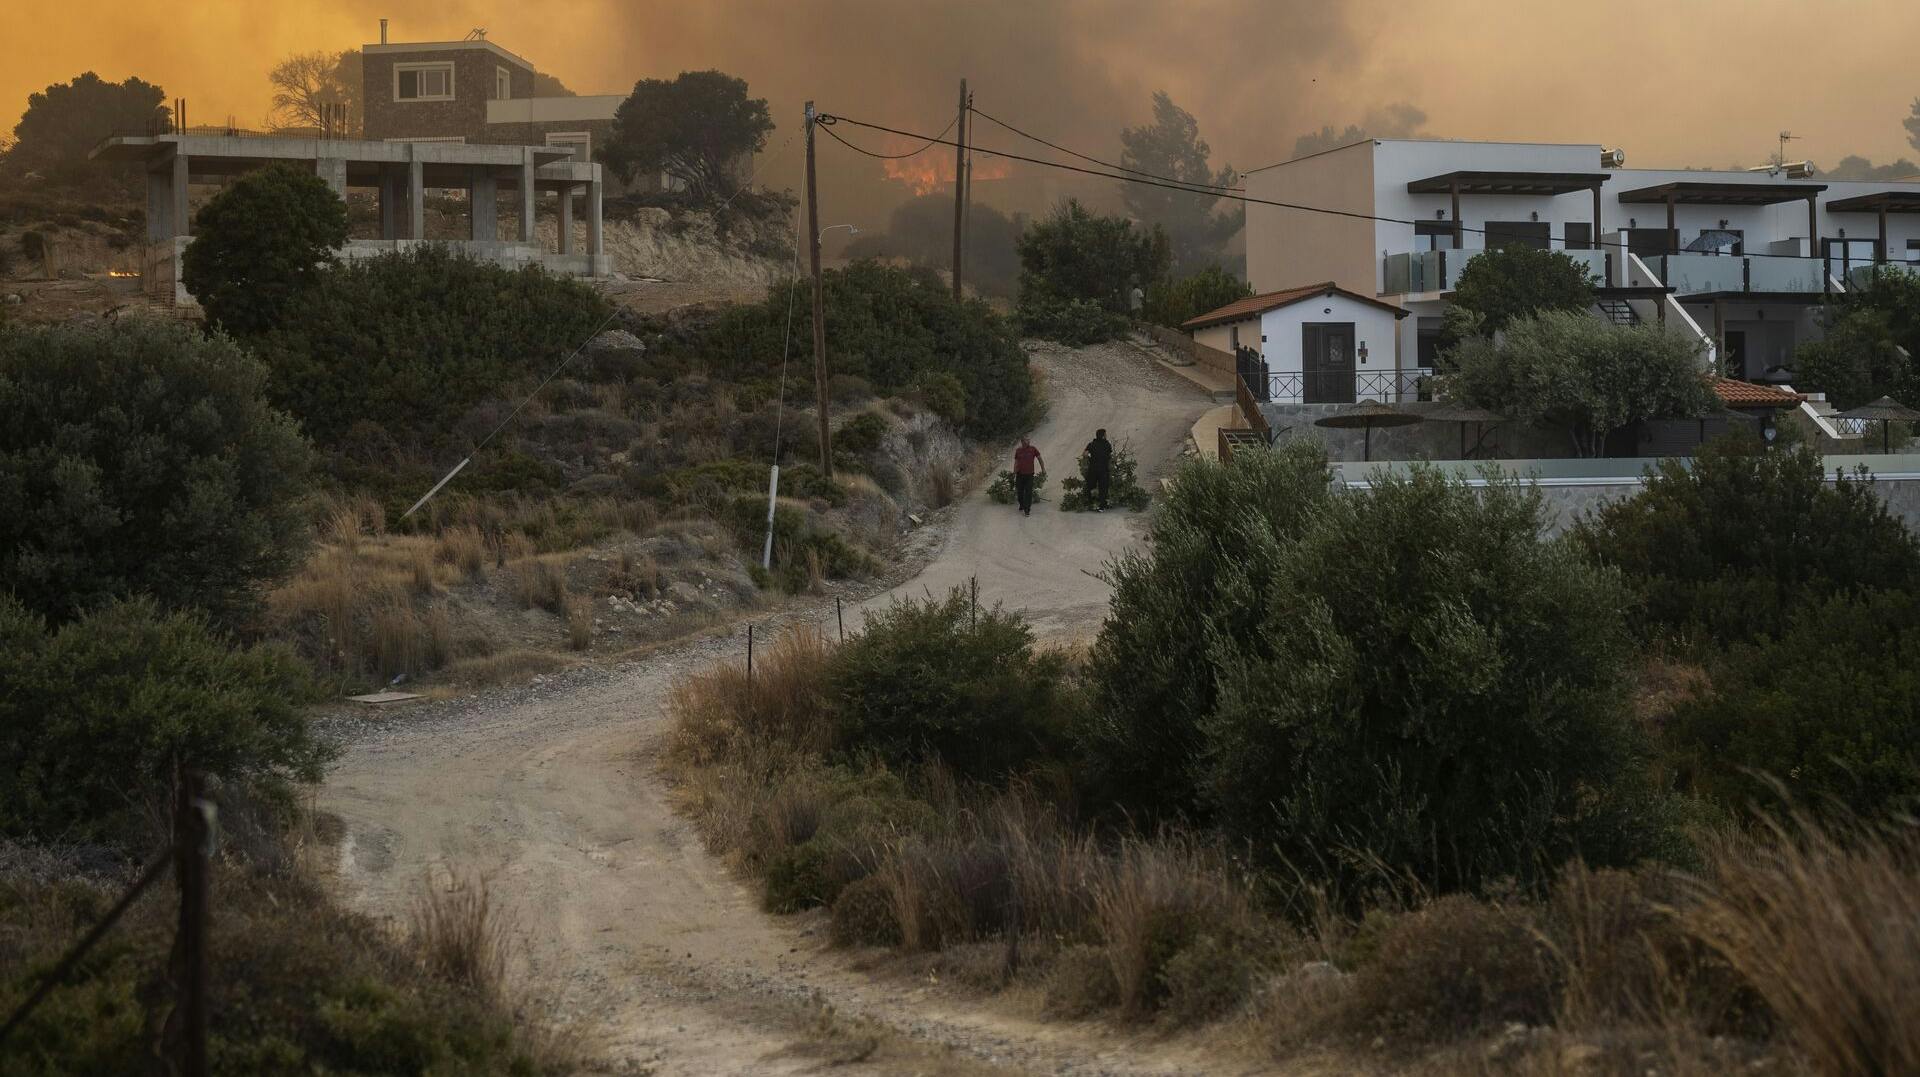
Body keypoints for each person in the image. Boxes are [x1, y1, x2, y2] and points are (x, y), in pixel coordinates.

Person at [1012, 436, 1044, 516]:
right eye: (1027, 440)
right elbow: (1016, 462)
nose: (1028, 441)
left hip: (1030, 474)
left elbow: (1039, 458)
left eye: (1029, 440)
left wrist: (1043, 469)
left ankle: (1027, 510)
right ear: (1022, 441)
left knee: (1028, 492)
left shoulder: (1033, 449)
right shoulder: (1018, 450)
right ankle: (1022, 504)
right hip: (1020, 474)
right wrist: (1014, 472)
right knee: (1019, 492)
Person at [1084, 428, 1113, 511]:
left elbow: (1085, 454)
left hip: (1093, 469)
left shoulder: (1092, 444)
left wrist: (1091, 456)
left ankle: (1090, 503)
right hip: (1103, 469)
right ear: (1103, 436)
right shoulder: (1107, 444)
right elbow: (1110, 455)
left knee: (1090, 486)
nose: (1106, 436)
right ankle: (1101, 506)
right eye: (1105, 434)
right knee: (1103, 488)